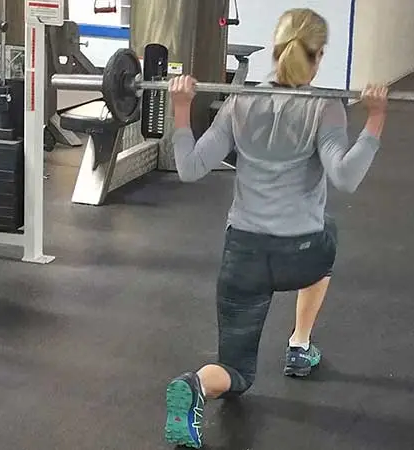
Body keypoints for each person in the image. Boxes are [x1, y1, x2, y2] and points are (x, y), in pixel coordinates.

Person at [162, 8, 388, 448]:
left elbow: (189, 168)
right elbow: (345, 177)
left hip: (241, 256)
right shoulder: (325, 106)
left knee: (238, 371)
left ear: (274, 49)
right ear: (319, 55)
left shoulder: (239, 102)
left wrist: (182, 109)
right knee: (329, 233)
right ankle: (300, 344)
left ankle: (195, 386)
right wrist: (376, 117)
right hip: (301, 255)